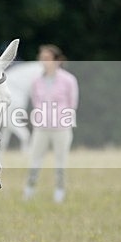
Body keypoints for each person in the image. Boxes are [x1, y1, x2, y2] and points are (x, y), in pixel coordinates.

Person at [23, 45, 79, 203]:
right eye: (42, 58)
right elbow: (35, 101)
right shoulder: (36, 81)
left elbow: (72, 103)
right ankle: (29, 191)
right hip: (41, 128)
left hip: (61, 128)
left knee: (61, 162)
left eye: (47, 58)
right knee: (34, 160)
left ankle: (59, 192)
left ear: (56, 60)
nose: (43, 61)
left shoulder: (69, 80)